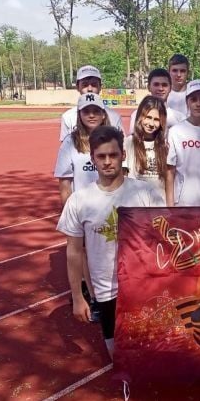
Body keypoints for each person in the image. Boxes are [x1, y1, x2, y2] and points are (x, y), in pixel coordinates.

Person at [57, 125, 164, 360]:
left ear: (123, 155)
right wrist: (78, 297)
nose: (107, 162)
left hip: (143, 287)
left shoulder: (146, 193)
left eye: (113, 155)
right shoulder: (79, 201)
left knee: (150, 352)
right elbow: (74, 252)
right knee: (117, 355)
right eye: (101, 156)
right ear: (92, 158)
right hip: (106, 291)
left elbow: (162, 238)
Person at [54, 92, 110, 322]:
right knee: (86, 254)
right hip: (85, 210)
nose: (91, 115)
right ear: (79, 115)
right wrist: (70, 214)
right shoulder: (71, 142)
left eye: (96, 111)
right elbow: (65, 182)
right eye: (87, 111)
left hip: (110, 206)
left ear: (103, 114)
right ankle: (96, 300)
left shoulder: (111, 137)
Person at [59, 65, 123, 142]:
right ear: (77, 87)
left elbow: (121, 144)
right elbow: (65, 145)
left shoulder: (114, 116)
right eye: (85, 85)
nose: (90, 89)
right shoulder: (67, 117)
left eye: (94, 85)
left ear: (100, 87)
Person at [123, 95, 168, 200]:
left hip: (159, 204)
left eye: (156, 119)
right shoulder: (128, 142)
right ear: (140, 116)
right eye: (148, 117)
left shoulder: (165, 145)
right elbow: (123, 176)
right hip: (136, 203)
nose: (151, 124)